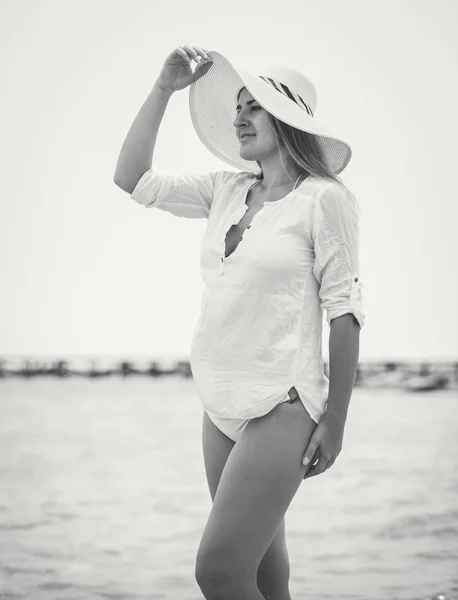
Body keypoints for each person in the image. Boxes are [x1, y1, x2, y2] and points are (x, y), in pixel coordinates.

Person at [114, 45, 366, 600]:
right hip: (219, 402)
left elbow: (344, 314)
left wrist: (337, 423)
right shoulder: (225, 190)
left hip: (283, 404)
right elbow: (132, 178)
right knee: (263, 578)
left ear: (289, 121)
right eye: (238, 106)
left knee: (219, 573)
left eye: (255, 107)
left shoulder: (324, 200)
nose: (240, 117)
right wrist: (162, 87)